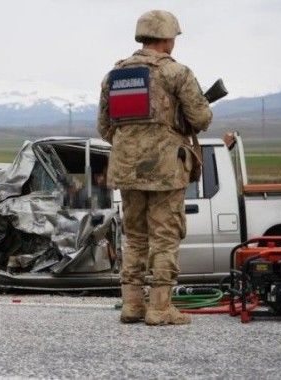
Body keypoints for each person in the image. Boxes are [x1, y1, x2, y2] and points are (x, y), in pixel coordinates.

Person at [97, 10, 212, 325]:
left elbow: (105, 128)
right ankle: (160, 308)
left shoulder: (115, 75)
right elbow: (201, 119)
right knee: (164, 236)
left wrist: (133, 143)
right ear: (167, 38)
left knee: (134, 236)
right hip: (164, 170)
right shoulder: (176, 73)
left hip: (126, 169)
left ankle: (132, 306)